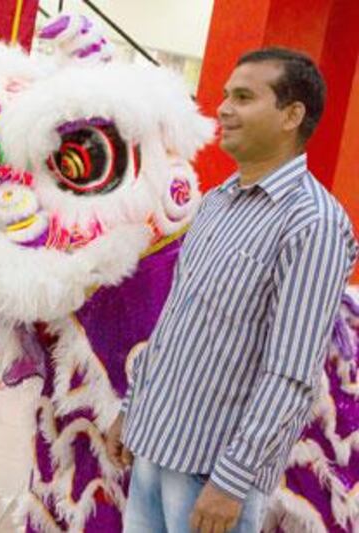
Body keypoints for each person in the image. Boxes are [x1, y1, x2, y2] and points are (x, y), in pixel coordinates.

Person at [106, 47, 358, 533]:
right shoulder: (218, 203)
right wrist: (133, 411)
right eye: (225, 95)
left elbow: (290, 373)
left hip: (212, 475)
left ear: (292, 115)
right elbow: (175, 323)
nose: (222, 109)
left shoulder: (314, 223)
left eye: (243, 97)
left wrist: (231, 482)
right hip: (155, 448)